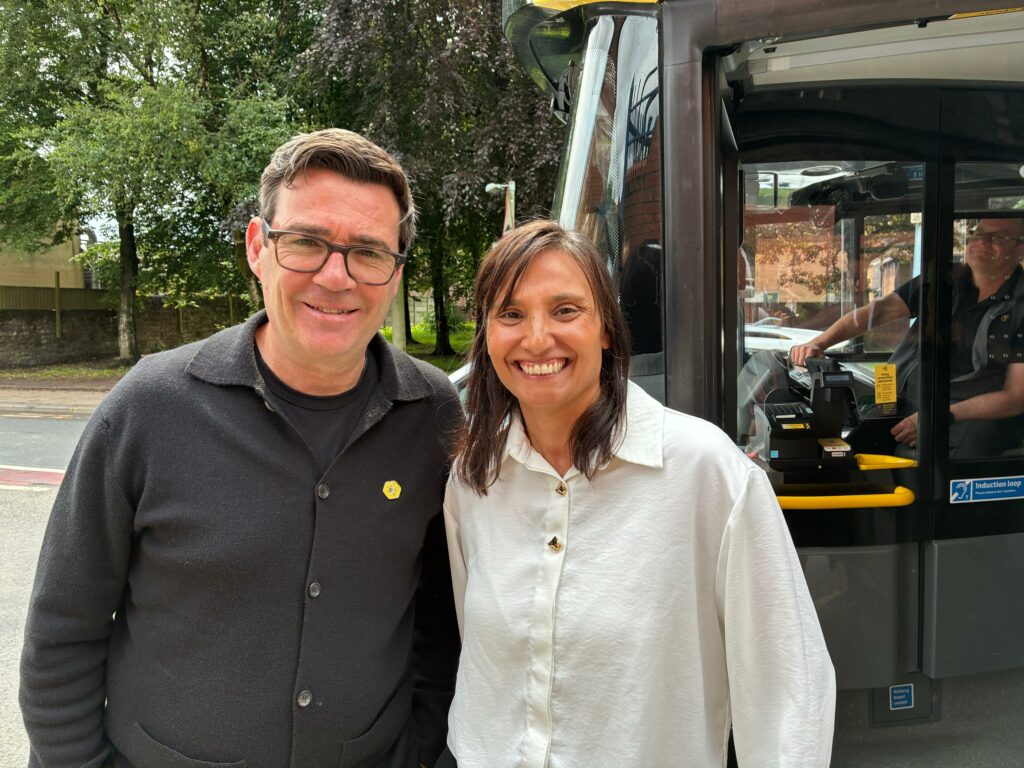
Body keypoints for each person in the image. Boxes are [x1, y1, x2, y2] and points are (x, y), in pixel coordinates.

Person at [20, 129, 463, 768]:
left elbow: (438, 623)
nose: (335, 277)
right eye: (307, 242)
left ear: (395, 271)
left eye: (367, 252)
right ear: (258, 247)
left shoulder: (430, 414)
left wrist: (420, 750)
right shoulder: (149, 407)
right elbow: (63, 633)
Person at [442, 220, 835, 767]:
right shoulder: (474, 479)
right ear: (487, 334)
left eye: (565, 310)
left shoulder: (705, 473)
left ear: (605, 327)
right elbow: (480, 658)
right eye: (510, 314)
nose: (536, 338)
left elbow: (788, 685)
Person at [788, 216, 1024, 456]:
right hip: (900, 404)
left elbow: (1015, 397)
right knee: (843, 456)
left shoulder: (1020, 306)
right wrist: (819, 342)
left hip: (963, 418)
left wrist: (939, 416)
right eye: (978, 233)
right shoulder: (945, 281)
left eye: (997, 237)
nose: (982, 242)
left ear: (1020, 248)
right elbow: (877, 312)